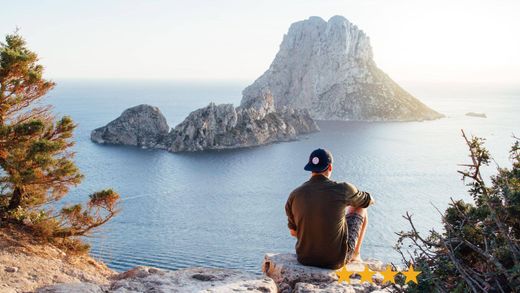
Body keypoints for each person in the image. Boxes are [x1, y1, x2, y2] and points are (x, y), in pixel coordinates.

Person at [285, 148, 375, 269]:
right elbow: (368, 201)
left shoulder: (294, 195)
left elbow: (293, 232)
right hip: (334, 261)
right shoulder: (343, 189)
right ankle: (355, 254)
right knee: (360, 208)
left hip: (305, 258)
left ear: (311, 168)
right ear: (330, 167)